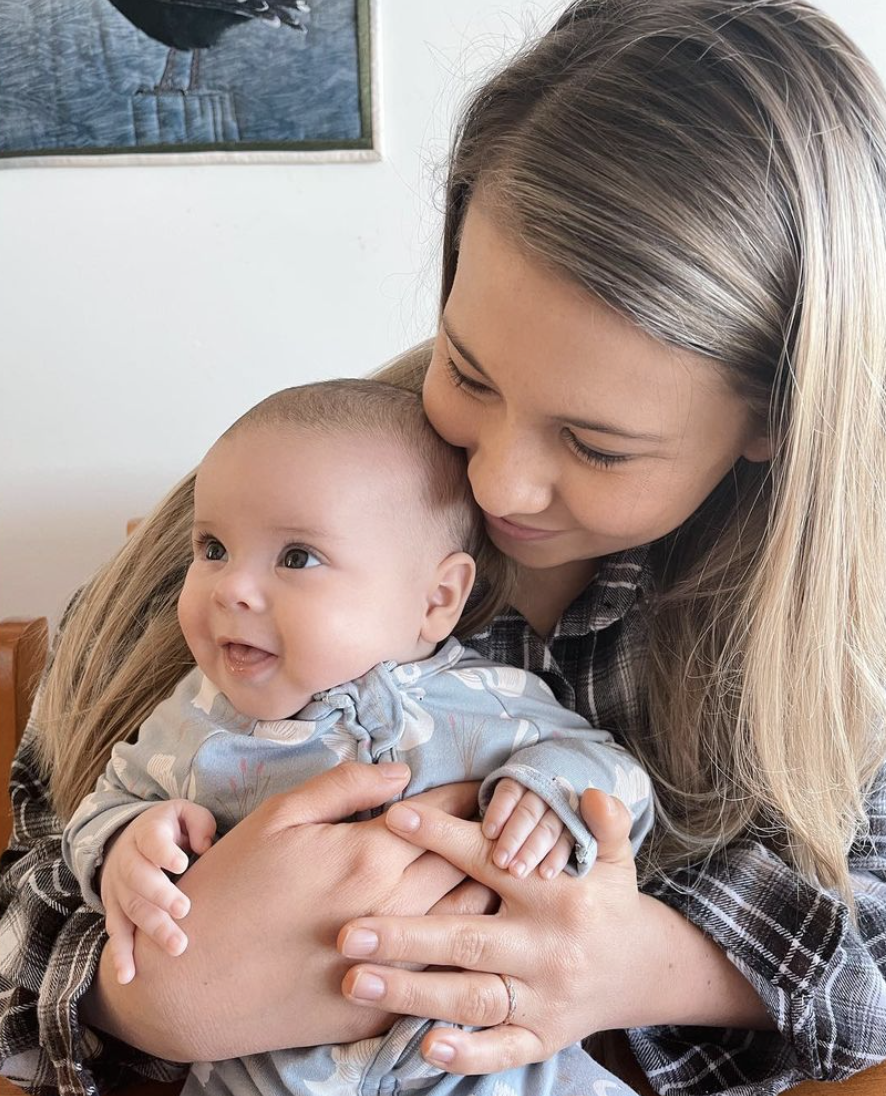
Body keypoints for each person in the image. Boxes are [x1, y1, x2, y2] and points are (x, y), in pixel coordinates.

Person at [2, 1, 885, 1094]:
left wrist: (640, 967)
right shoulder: (271, 509)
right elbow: (31, 876)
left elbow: (875, 941)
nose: (498, 479)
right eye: (468, 371)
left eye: (596, 444)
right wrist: (146, 997)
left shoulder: (844, 633)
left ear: (773, 418)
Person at [61, 379, 653, 1095]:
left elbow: (613, 776)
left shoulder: (490, 701)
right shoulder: (193, 721)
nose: (231, 588)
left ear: (436, 599)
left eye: (297, 558)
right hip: (270, 1070)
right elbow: (103, 807)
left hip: (484, 1067)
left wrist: (547, 790)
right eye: (212, 547)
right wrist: (127, 847)